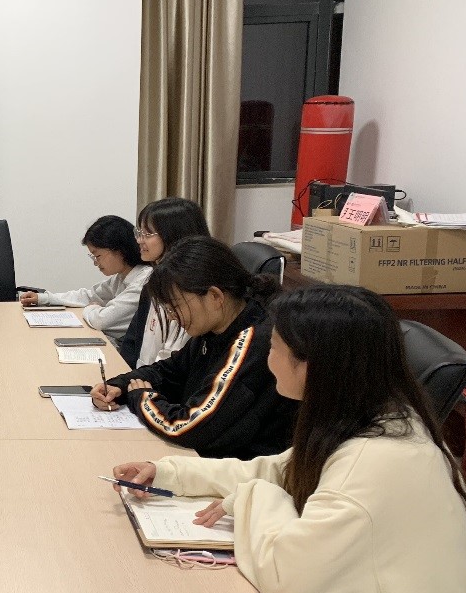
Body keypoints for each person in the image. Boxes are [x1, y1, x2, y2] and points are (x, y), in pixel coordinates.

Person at [109, 285, 466, 593]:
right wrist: (170, 472)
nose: (267, 359)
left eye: (275, 348)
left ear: (312, 365)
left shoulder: (376, 463)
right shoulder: (378, 417)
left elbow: (286, 573)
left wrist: (252, 498)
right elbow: (278, 470)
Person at [92, 237, 296, 459]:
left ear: (215, 296)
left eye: (175, 307)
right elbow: (170, 371)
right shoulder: (215, 328)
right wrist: (119, 386)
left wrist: (141, 398)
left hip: (239, 468)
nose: (172, 317)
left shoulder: (254, 341)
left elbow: (188, 426)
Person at [18, 215, 149, 342]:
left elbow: (101, 320)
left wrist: (92, 308)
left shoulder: (143, 282)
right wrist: (44, 298)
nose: (95, 263)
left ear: (120, 250)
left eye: (97, 256)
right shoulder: (121, 277)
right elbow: (89, 296)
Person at [116, 197, 211, 367]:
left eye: (147, 234)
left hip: (159, 379)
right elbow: (133, 341)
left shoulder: (190, 292)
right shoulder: (152, 282)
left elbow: (173, 357)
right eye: (139, 233)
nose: (139, 240)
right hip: (140, 375)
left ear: (174, 234)